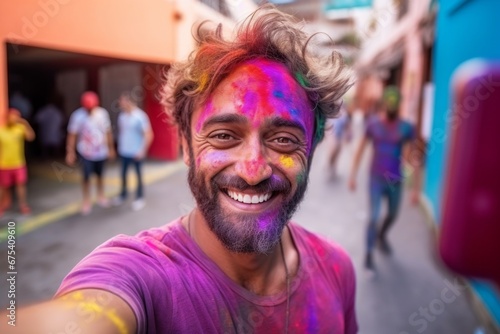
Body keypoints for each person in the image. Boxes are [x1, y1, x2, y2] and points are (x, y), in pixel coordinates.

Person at [1, 6, 357, 333]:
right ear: (186, 146)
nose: (253, 171)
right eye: (223, 135)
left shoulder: (336, 270)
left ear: (311, 148)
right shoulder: (140, 278)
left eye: (283, 140)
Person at [348, 85, 419, 270]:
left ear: (399, 106)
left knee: (393, 214)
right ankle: (369, 253)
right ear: (384, 104)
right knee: (373, 217)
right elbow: (360, 149)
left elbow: (415, 158)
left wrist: (416, 189)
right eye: (389, 103)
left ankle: (381, 235)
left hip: (396, 180)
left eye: (395, 104)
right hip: (376, 179)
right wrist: (353, 175)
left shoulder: (406, 128)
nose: (392, 107)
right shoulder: (373, 125)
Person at [65, 91, 115, 215]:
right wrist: (70, 152)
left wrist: (111, 148)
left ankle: (101, 196)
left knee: (100, 175)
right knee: (86, 178)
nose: (89, 110)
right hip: (85, 152)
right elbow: (72, 134)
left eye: (91, 107)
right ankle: (86, 200)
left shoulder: (102, 114)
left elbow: (108, 132)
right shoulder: (77, 116)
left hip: (101, 152)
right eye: (87, 108)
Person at [112, 91, 153, 211]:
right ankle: (123, 195)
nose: (120, 103)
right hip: (124, 151)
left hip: (136, 152)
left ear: (129, 101)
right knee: (123, 174)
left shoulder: (140, 116)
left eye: (122, 101)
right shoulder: (122, 116)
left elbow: (149, 134)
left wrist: (142, 150)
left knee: (138, 176)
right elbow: (122, 133)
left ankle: (140, 198)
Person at [0, 108, 35, 216]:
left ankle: (23, 205)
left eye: (16, 117)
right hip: (4, 164)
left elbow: (31, 137)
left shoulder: (20, 129)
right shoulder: (1, 130)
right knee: (4, 187)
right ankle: (2, 205)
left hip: (19, 163)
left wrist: (26, 124)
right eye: (12, 116)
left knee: (21, 186)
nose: (14, 119)